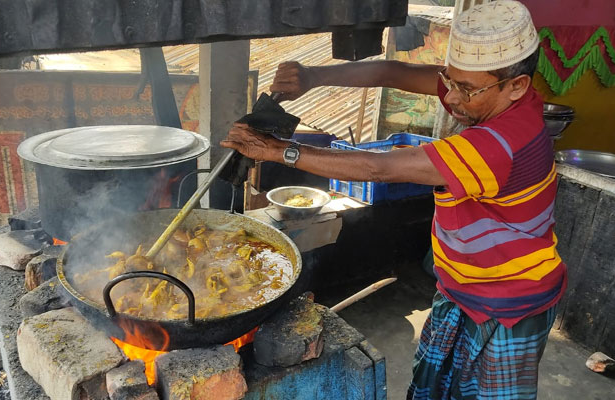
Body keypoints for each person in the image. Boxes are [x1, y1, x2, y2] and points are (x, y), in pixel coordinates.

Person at [223, 1, 566, 399]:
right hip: (462, 288)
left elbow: (378, 169)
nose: (452, 99)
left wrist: (280, 150)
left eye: (466, 89)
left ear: (517, 86)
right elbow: (393, 72)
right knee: (433, 389)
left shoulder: (501, 143)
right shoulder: (491, 94)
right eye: (449, 81)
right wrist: (313, 76)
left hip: (511, 304)